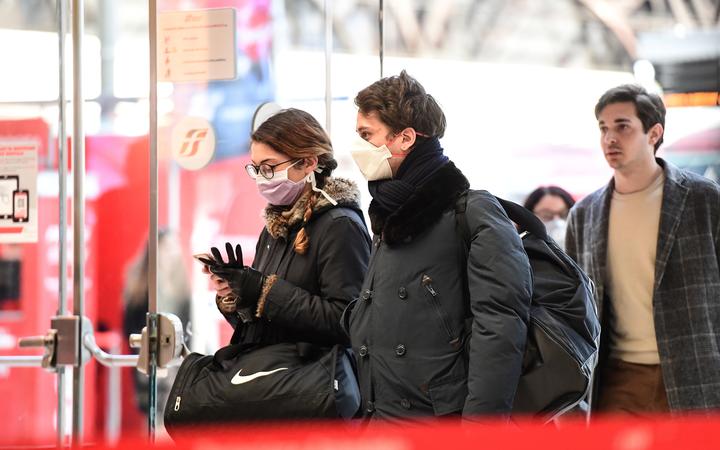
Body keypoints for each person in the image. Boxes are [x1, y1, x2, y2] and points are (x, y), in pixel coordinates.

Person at [345, 71, 532, 421]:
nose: (358, 148)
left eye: (366, 135)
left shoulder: (472, 211)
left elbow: (500, 330)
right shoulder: (390, 213)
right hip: (380, 414)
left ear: (404, 138)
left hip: (439, 423)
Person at [203, 108, 371, 416]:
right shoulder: (276, 226)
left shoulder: (339, 225)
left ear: (308, 162)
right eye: (255, 169)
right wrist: (236, 294)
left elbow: (348, 322)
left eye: (269, 168)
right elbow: (265, 324)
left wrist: (264, 290)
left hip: (315, 397)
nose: (262, 180)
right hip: (273, 391)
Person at [566, 84, 720, 415]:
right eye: (603, 128)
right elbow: (575, 305)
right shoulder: (585, 214)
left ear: (654, 133)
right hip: (616, 377)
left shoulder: (704, 200)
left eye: (623, 126)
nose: (610, 138)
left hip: (695, 369)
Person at [123, 229, 191, 423]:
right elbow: (130, 330)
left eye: (174, 248)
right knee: (154, 423)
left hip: (177, 367)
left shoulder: (183, 289)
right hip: (151, 366)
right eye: (166, 248)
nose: (171, 253)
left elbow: (189, 328)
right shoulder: (140, 290)